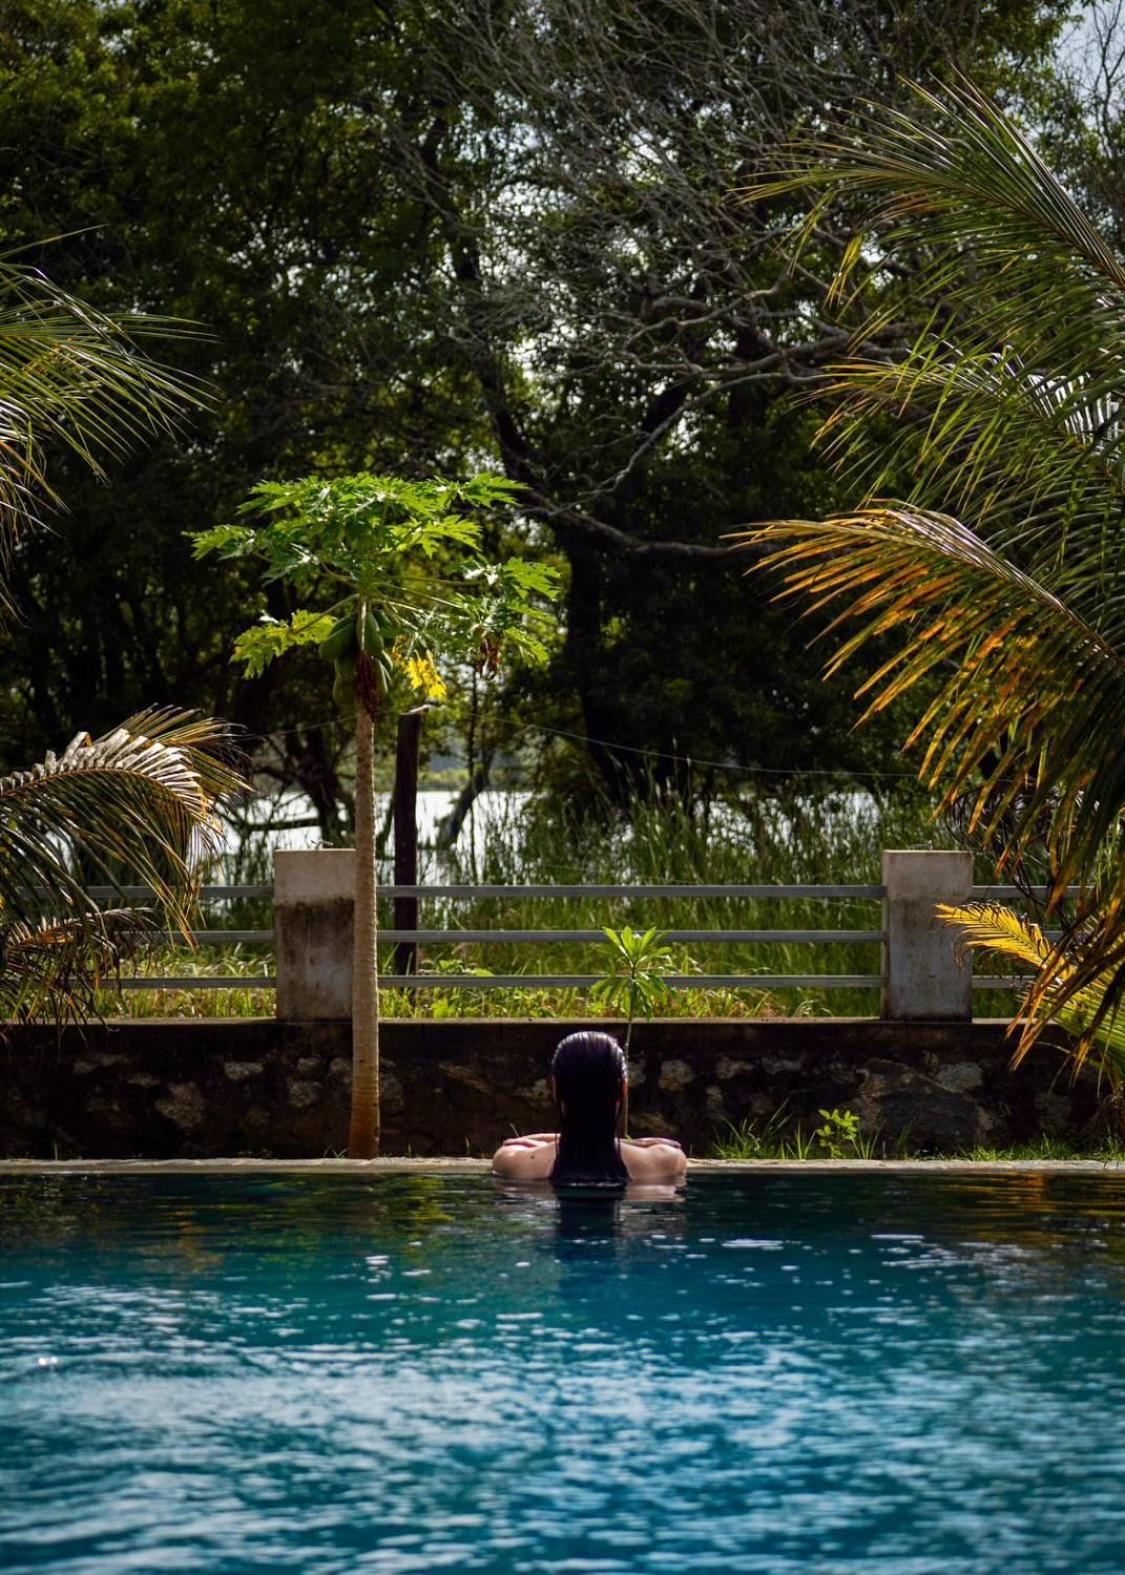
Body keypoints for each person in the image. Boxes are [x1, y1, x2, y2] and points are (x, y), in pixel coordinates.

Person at [492, 1030, 687, 1185]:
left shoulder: (514, 1162)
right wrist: (632, 1144)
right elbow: (670, 1149)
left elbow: (510, 1144)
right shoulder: (665, 1161)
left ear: (555, 1088)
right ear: (623, 1089)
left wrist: (547, 1139)